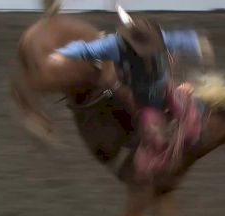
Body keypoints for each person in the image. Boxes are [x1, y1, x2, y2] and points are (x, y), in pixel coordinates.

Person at [47, 7, 214, 177]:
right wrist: (63, 54)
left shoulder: (156, 38)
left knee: (192, 124)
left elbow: (178, 40)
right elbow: (87, 49)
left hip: (164, 89)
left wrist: (197, 43)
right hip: (145, 101)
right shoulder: (115, 45)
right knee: (154, 138)